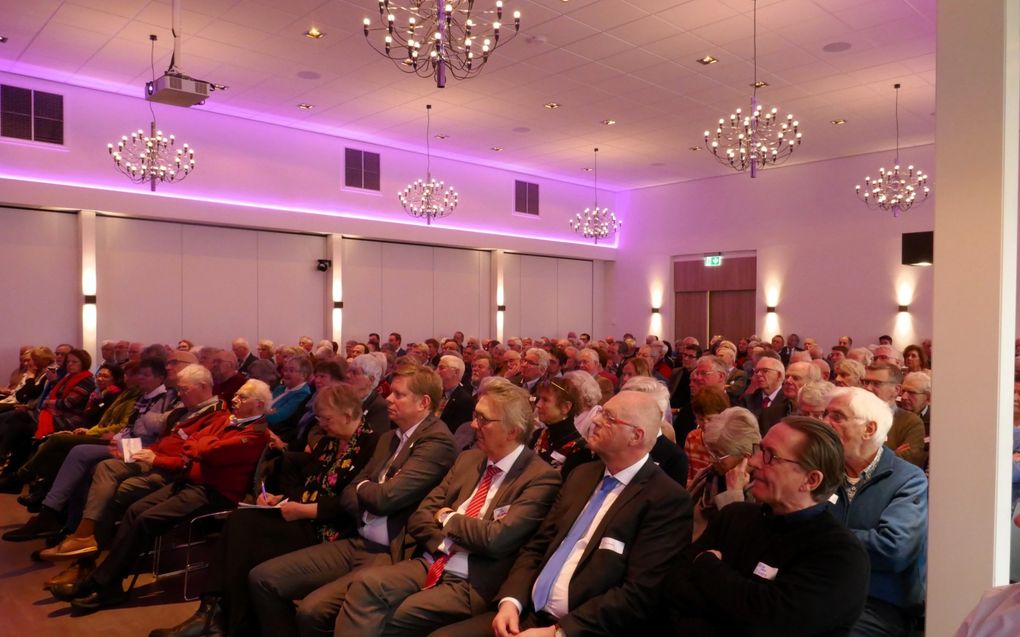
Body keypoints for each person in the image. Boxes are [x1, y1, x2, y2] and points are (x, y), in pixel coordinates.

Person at [435, 391, 693, 637]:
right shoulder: (582, 475)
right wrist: (511, 602)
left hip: (584, 628)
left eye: (609, 418)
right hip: (529, 614)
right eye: (601, 412)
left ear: (636, 436)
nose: (595, 419)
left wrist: (559, 631)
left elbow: (638, 595)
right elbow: (537, 547)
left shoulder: (665, 500)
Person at [326, 379, 562, 637]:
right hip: (432, 559)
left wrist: (448, 518)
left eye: (483, 420)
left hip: (472, 580)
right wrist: (450, 541)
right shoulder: (468, 459)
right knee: (365, 584)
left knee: (385, 618)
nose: (473, 425)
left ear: (512, 431)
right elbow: (420, 518)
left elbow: (496, 539)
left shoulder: (539, 477)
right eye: (475, 416)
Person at [148, 383, 383, 637]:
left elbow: (351, 502)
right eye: (318, 418)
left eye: (325, 418)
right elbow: (309, 482)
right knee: (240, 522)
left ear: (348, 416)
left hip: (330, 528)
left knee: (247, 537)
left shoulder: (372, 446)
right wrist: (279, 498)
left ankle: (222, 621)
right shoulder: (330, 443)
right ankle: (211, 612)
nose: (321, 424)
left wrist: (305, 510)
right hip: (301, 515)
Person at [246, 363, 457, 637]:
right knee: (263, 578)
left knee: (312, 611)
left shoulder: (436, 441)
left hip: (389, 550)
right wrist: (368, 489)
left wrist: (366, 489)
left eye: (398, 394)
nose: (388, 399)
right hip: (358, 537)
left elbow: (386, 498)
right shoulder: (390, 438)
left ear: (424, 402)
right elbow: (349, 493)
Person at [668, 417, 871, 636]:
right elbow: (675, 584)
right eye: (759, 449)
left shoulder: (840, 556)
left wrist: (707, 566)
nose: (754, 462)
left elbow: (768, 622)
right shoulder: (734, 515)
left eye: (770, 457)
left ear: (810, 480)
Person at [825, 387, 928, 636]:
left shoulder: (907, 479)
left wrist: (821, 538)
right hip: (822, 590)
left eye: (837, 417)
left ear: (869, 429)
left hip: (879, 603)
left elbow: (893, 549)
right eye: (825, 415)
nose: (825, 423)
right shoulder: (823, 472)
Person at [687, 406, 760, 541]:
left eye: (718, 456)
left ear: (746, 456)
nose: (711, 460)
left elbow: (741, 538)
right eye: (711, 453)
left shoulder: (761, 490)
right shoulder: (708, 475)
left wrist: (734, 492)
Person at [862, 363, 927, 469]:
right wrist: (893, 454)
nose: (868, 388)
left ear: (897, 390)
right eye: (865, 382)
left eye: (876, 383)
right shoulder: (852, 416)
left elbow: (907, 464)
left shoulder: (910, 422)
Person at [531, 378, 593, 478]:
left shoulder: (580, 450)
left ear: (566, 407)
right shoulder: (538, 434)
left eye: (545, 400)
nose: (538, 405)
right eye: (539, 399)